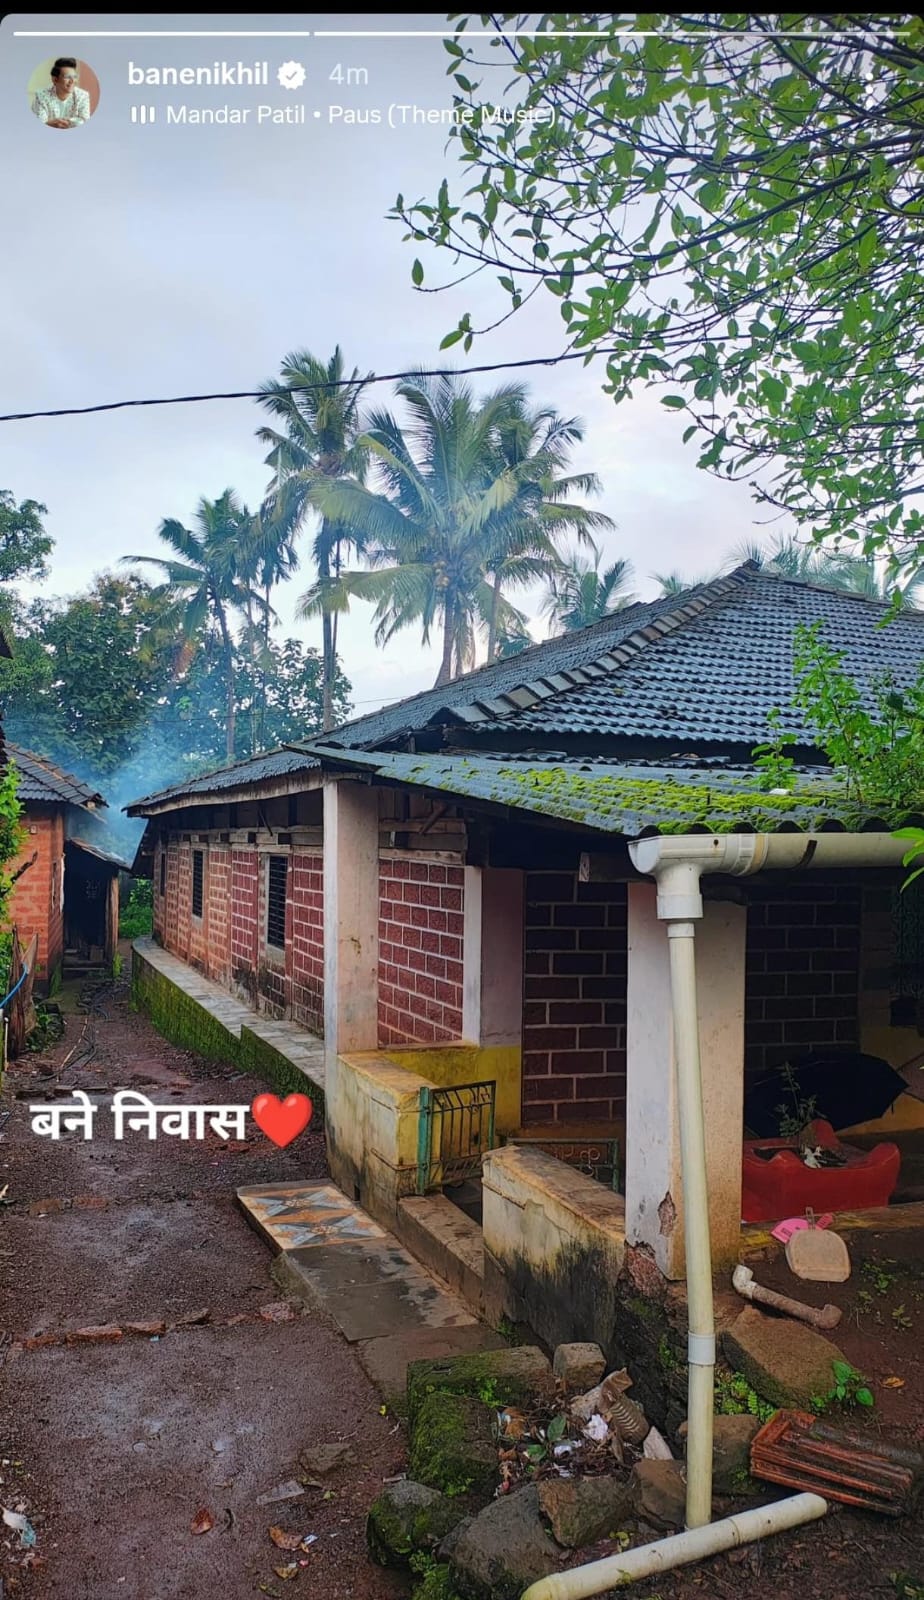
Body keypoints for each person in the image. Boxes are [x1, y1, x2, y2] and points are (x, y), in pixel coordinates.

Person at [32, 58, 90, 128]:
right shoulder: (41, 97)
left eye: (75, 77)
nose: (72, 81)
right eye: (67, 77)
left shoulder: (83, 96)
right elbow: (37, 126)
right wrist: (50, 125)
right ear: (55, 80)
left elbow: (85, 122)